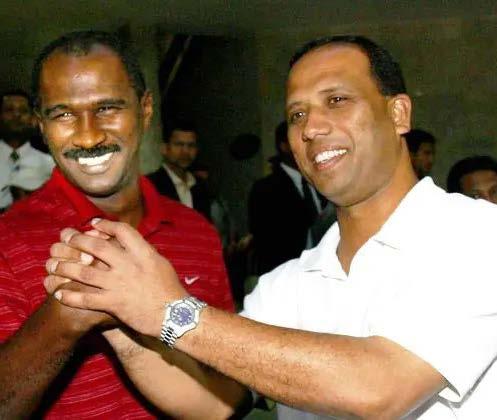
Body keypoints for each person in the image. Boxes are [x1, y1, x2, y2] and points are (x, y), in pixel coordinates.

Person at [45, 35, 497, 419]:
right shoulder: (287, 284)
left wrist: (170, 311)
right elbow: (213, 401)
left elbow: (382, 386)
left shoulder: (477, 234)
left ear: (398, 113)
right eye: (297, 114)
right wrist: (114, 307)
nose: (311, 127)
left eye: (337, 101)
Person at [0, 30, 246, 419]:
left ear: (145, 109)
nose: (88, 136)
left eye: (108, 108)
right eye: (63, 114)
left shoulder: (196, 231)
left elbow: (229, 378)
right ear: (41, 125)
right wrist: (64, 318)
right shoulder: (7, 240)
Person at [248, 121, 324, 275]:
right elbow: (266, 243)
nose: (308, 147)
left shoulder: (321, 181)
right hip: (288, 275)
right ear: (284, 146)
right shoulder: (265, 189)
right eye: (302, 140)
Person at [0, 90, 54, 209]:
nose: (16, 115)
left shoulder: (49, 165)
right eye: (9, 110)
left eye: (23, 111)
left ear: (33, 119)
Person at [147, 120, 212, 220]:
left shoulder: (200, 186)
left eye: (191, 145)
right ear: (164, 148)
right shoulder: (151, 185)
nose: (185, 151)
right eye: (179, 144)